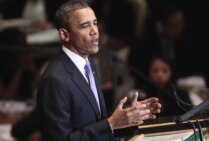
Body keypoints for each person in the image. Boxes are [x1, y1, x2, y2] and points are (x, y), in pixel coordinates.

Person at [36, 0, 161, 141]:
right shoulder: (54, 80)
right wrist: (111, 123)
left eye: (94, 23)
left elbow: (96, 123)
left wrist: (128, 118)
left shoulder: (88, 65)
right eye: (84, 26)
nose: (95, 31)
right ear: (65, 35)